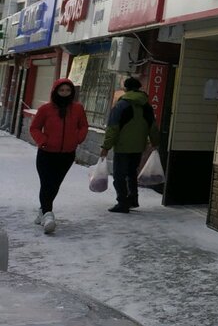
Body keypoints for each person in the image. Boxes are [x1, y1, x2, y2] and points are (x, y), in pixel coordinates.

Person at [29, 78, 89, 234]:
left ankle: (43, 211)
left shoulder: (77, 109)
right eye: (61, 90)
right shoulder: (45, 109)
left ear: (72, 92)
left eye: (67, 91)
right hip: (46, 153)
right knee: (47, 183)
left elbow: (83, 126)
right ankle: (48, 215)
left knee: (55, 184)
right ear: (55, 91)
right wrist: (43, 141)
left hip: (67, 154)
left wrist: (77, 138)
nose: (64, 93)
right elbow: (35, 128)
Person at [100, 76, 159, 214]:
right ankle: (133, 199)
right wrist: (155, 143)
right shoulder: (146, 106)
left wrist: (106, 147)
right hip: (139, 146)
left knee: (119, 175)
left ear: (125, 88)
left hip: (122, 146)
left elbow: (113, 128)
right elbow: (153, 127)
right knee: (132, 173)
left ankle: (122, 202)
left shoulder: (121, 106)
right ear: (139, 88)